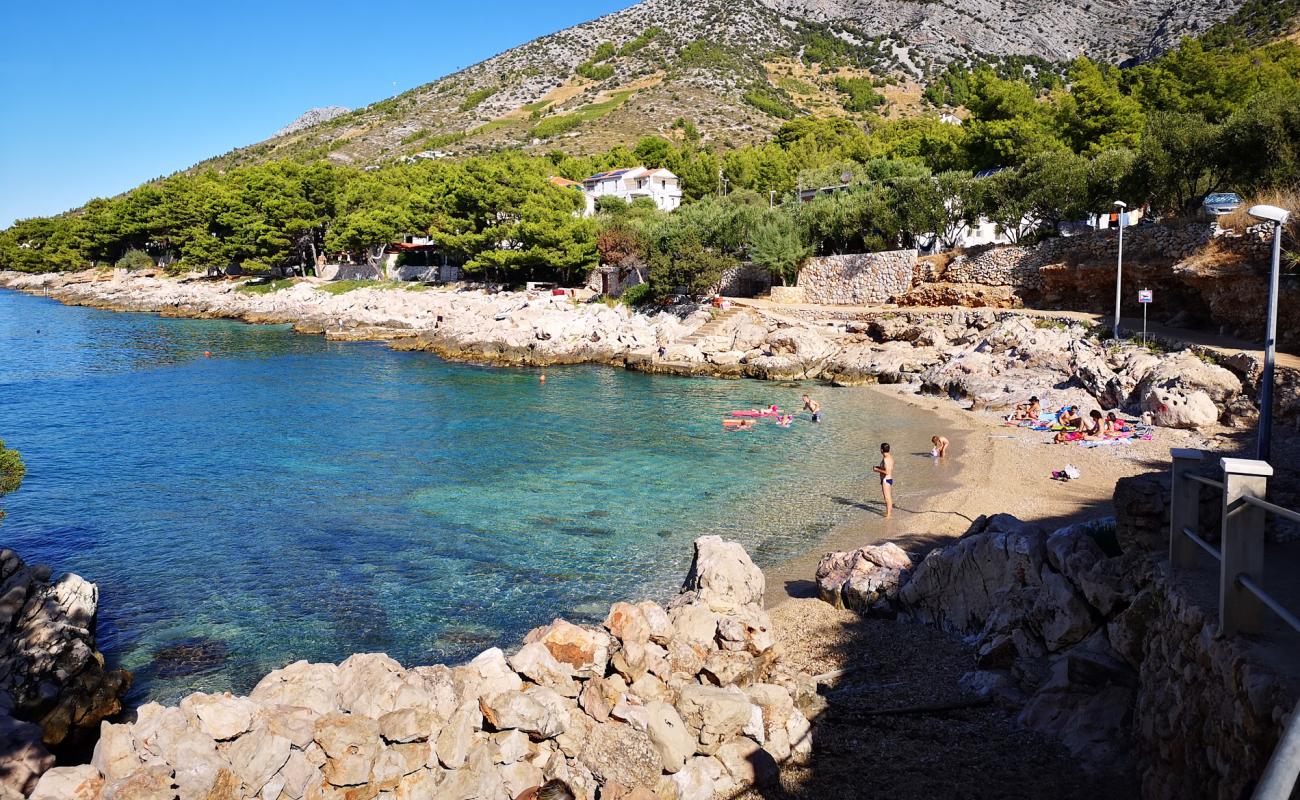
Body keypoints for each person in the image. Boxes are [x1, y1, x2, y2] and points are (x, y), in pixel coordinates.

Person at [872, 443, 894, 518]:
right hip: (888, 479)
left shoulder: (885, 459)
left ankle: (888, 515)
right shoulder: (889, 457)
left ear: (881, 450)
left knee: (887, 498)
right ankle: (889, 512)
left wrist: (877, 470)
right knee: (888, 497)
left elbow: (887, 472)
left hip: (886, 480)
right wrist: (879, 467)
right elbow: (887, 468)